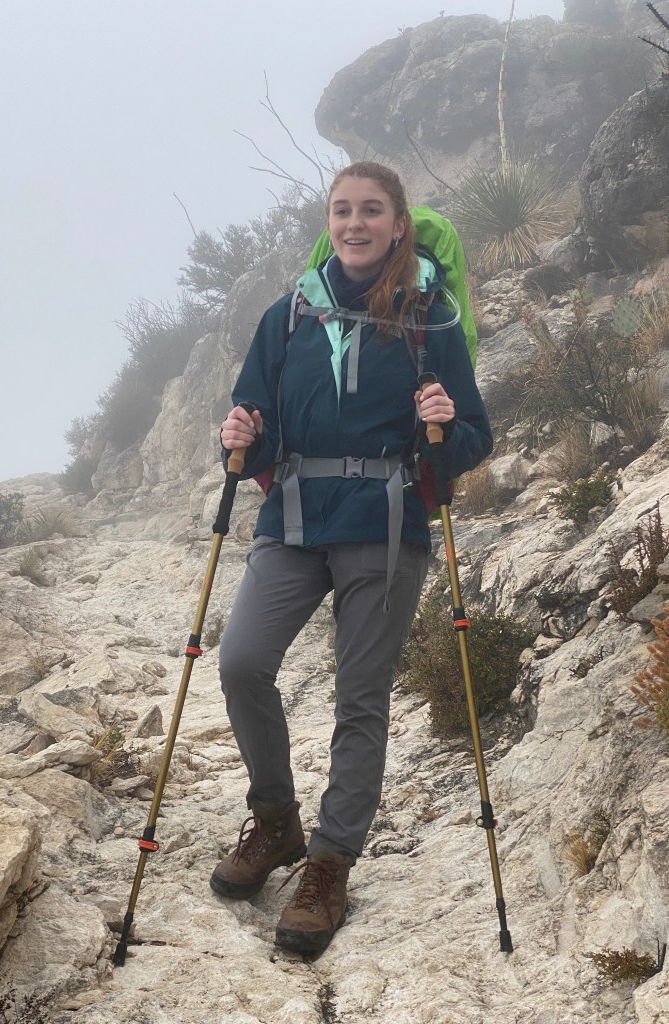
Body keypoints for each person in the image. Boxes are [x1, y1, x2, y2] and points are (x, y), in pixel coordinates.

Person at [209, 161, 492, 952]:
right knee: (240, 662)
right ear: (328, 223)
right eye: (343, 211)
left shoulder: (431, 319)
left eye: (372, 211)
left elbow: (473, 436)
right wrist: (237, 436)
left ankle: (330, 865)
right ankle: (275, 823)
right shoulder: (289, 314)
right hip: (294, 516)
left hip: (385, 520)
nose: (356, 223)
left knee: (358, 696)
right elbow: (253, 420)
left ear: (399, 225)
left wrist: (443, 423)